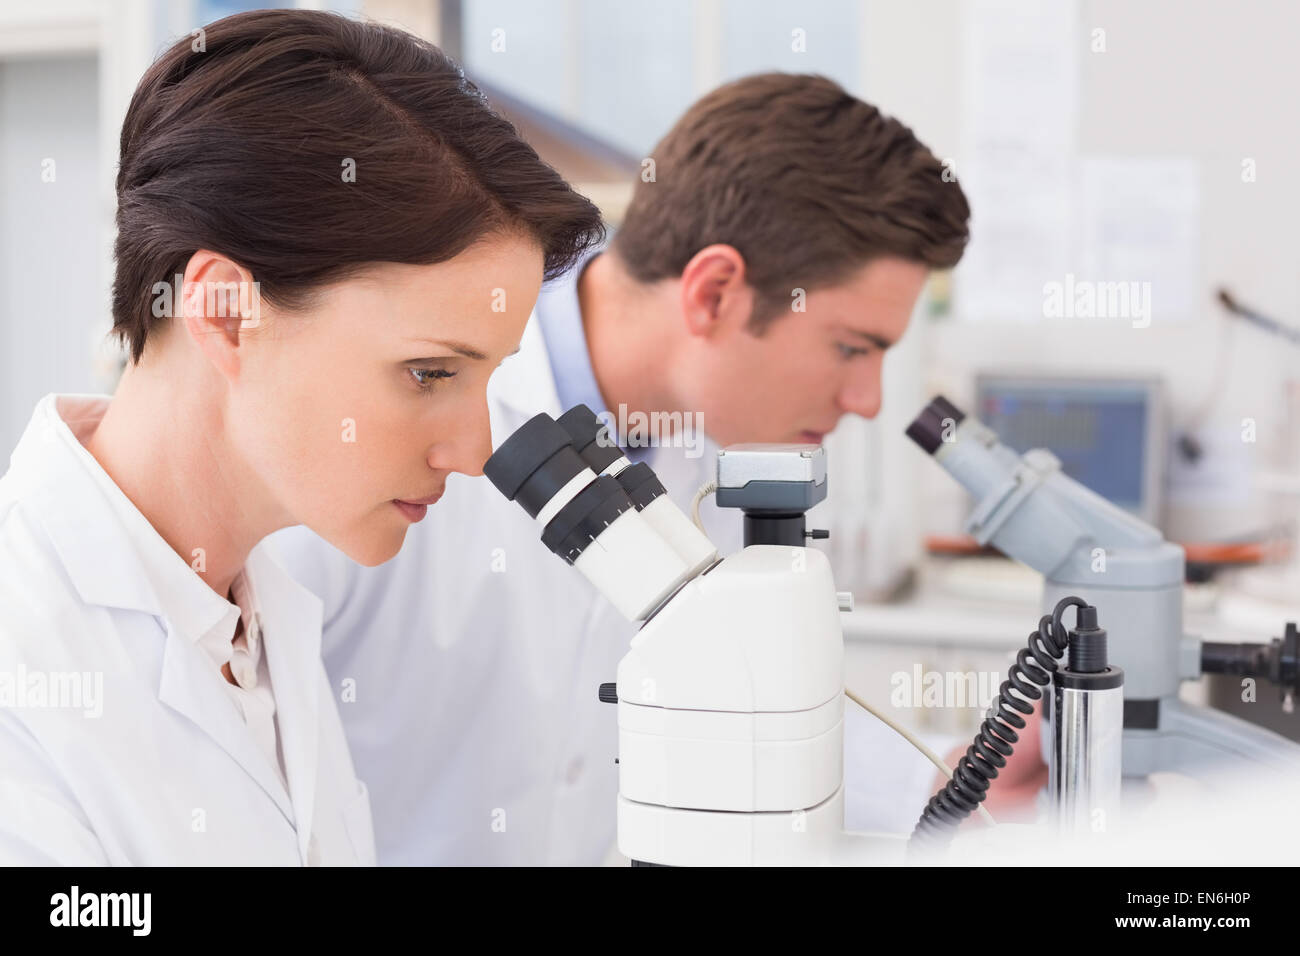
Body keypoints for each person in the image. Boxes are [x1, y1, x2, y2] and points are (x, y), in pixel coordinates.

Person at [270, 72, 975, 865]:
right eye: (851, 347)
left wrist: (949, 795)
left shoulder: (713, 458)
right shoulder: (394, 423)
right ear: (714, 293)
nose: (870, 399)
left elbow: (760, 705)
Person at [0, 9, 602, 865]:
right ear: (224, 311)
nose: (474, 454)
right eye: (430, 373)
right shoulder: (24, 662)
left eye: (489, 376)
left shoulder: (259, 615)